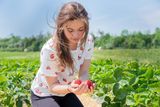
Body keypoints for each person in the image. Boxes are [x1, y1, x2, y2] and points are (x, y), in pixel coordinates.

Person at [30, 1, 95, 107]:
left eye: (81, 29)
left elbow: (84, 71)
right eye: (70, 30)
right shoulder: (50, 49)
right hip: (44, 93)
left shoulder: (88, 41)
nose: (76, 35)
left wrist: (83, 84)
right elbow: (52, 86)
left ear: (86, 27)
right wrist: (70, 88)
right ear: (61, 26)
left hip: (66, 93)